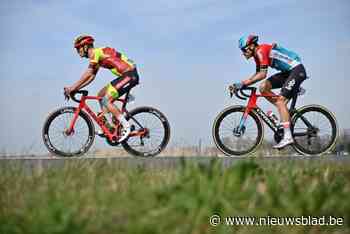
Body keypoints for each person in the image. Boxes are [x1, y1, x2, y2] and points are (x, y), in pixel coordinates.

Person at [230, 35, 307, 149]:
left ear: (251, 45)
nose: (243, 53)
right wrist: (241, 84)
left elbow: (262, 74)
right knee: (263, 87)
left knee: (280, 101)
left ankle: (288, 136)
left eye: (244, 49)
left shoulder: (260, 51)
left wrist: (243, 83)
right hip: (287, 73)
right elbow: (257, 75)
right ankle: (283, 112)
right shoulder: (257, 56)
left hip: (296, 70)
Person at [64, 35, 139, 142]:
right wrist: (76, 88)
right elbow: (91, 76)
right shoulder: (97, 56)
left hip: (130, 75)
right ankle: (110, 127)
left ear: (86, 46)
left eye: (78, 48)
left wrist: (72, 88)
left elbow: (88, 73)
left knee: (106, 100)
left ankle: (126, 126)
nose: (77, 51)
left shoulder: (96, 53)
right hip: (126, 75)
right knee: (100, 95)